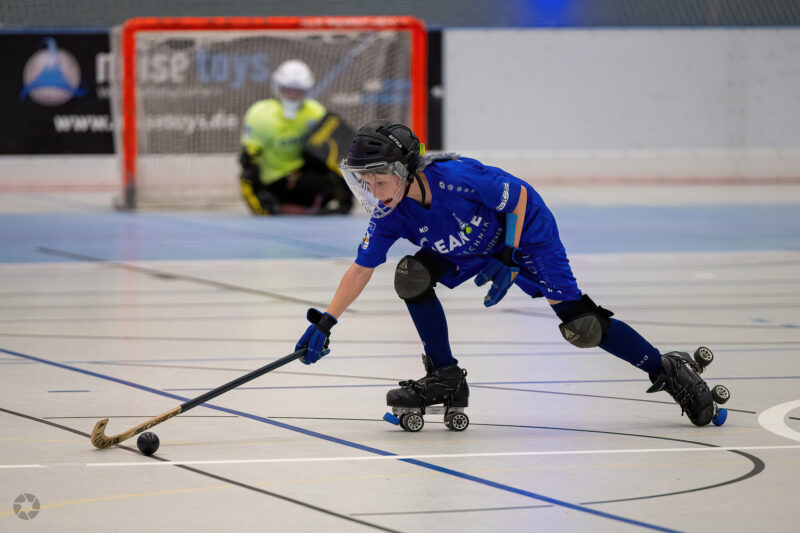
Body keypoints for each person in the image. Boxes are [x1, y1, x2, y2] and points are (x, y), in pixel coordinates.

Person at [294, 120, 729, 431]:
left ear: (405, 171)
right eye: (365, 182)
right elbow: (361, 268)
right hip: (469, 247)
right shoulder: (389, 215)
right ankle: (445, 376)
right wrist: (327, 322)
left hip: (525, 233)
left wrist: (509, 253)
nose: (373, 192)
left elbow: (518, 199)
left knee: (581, 324)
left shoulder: (457, 178)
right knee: (412, 276)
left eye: (380, 181)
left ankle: (668, 369)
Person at [239, 59, 353, 215]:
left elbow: (334, 153)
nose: (293, 95)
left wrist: (347, 195)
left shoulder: (315, 111)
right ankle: (284, 206)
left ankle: (305, 205)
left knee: (326, 176)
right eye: (288, 89)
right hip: (274, 181)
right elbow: (248, 161)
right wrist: (254, 196)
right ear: (278, 87)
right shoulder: (260, 114)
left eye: (299, 91)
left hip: (304, 174)